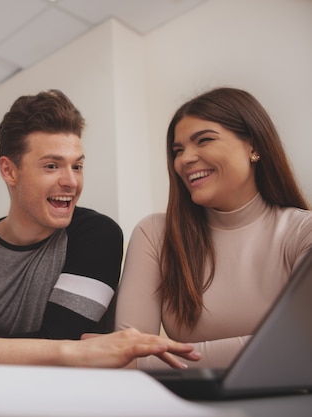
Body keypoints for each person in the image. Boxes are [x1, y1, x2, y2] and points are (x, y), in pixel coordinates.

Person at [0, 89, 200, 368]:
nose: (71, 182)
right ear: (9, 171)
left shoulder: (97, 235)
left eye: (77, 166)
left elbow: (58, 340)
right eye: (52, 166)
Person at [115, 87, 312, 369]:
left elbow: (300, 345)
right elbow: (128, 356)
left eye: (204, 140)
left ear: (253, 146)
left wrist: (154, 360)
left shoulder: (303, 232)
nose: (185, 159)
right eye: (178, 150)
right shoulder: (155, 234)